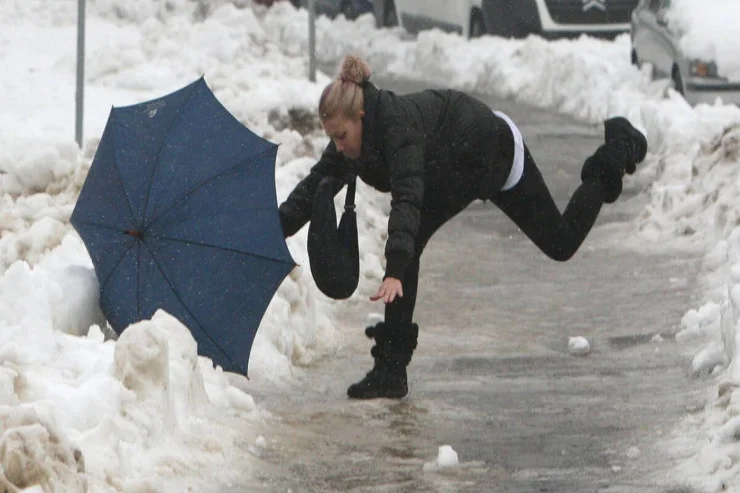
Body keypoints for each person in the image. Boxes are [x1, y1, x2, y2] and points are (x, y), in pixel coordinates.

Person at [278, 54, 647, 400]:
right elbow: (314, 186)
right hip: (449, 168)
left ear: (360, 115)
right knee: (412, 242)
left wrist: (394, 272)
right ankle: (391, 370)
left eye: (341, 135)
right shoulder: (351, 140)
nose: (338, 146)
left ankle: (618, 148)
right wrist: (274, 228)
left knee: (561, 242)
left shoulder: (396, 129)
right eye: (333, 138)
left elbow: (407, 198)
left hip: (493, 153)